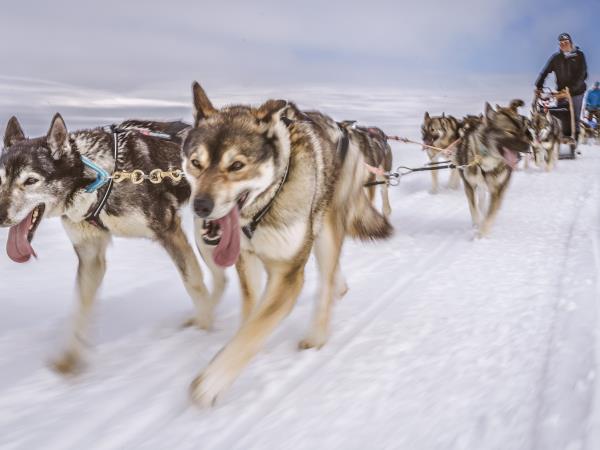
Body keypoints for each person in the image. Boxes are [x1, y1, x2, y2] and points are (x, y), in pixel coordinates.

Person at [535, 32, 588, 139]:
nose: (564, 45)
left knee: (574, 116)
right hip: (562, 92)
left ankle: (575, 139)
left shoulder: (579, 55)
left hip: (577, 92)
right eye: (561, 43)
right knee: (561, 114)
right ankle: (561, 137)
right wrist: (539, 85)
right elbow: (545, 72)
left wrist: (572, 88)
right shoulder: (556, 58)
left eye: (566, 42)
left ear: (571, 43)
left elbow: (582, 74)